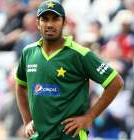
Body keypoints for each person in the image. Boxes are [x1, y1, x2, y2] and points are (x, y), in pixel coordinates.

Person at [15, 0, 124, 140]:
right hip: (39, 137)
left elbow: (116, 82)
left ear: (64, 22)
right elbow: (20, 85)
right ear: (37, 23)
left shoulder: (80, 54)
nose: (49, 24)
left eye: (55, 19)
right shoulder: (28, 52)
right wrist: (27, 121)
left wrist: (89, 117)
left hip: (71, 137)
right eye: (45, 19)